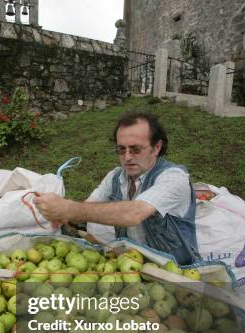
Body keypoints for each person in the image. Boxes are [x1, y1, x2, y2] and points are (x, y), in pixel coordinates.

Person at [33, 111, 200, 265]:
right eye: (121, 150)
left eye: (136, 149)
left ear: (156, 147)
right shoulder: (115, 177)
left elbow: (134, 213)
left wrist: (69, 208)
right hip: (130, 267)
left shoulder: (174, 177)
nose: (127, 157)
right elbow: (86, 210)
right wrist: (57, 212)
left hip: (177, 274)